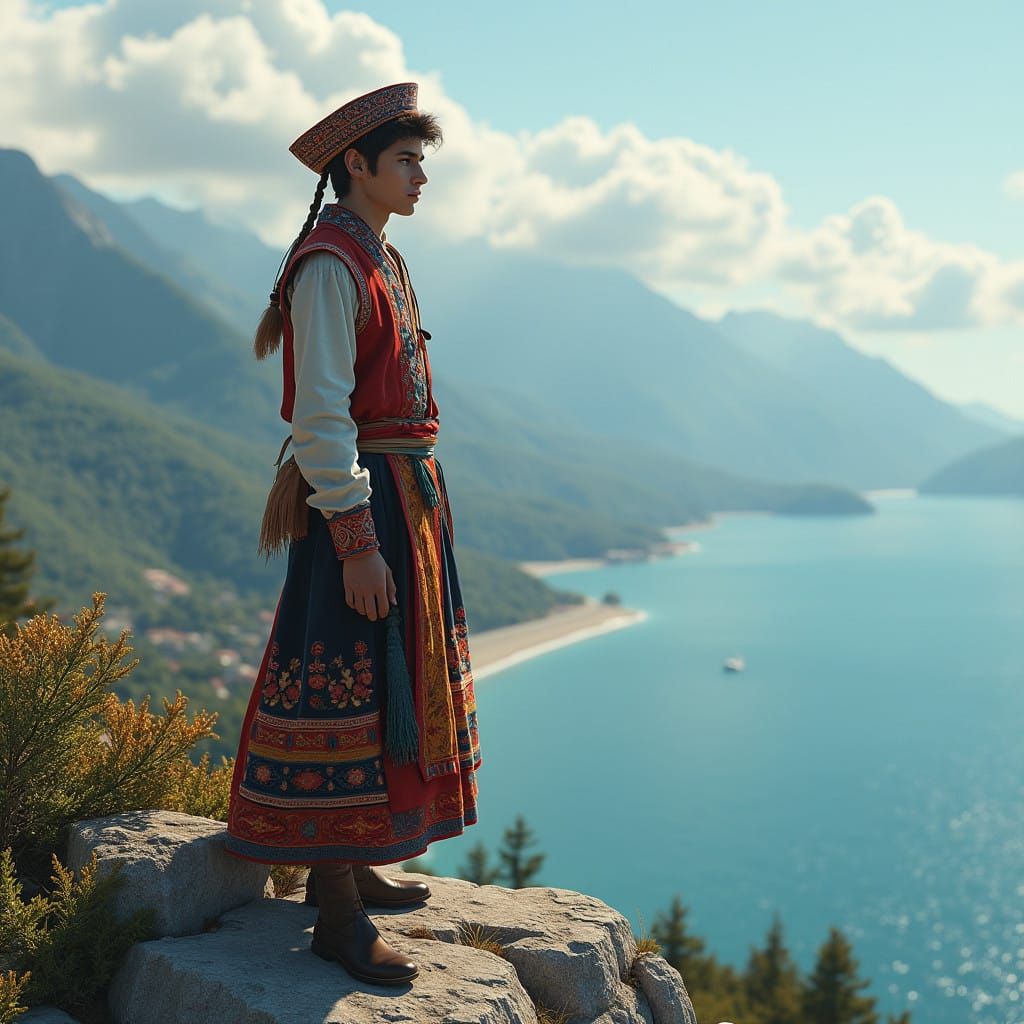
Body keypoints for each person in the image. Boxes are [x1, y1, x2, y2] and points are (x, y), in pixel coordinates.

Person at [223, 82, 482, 986]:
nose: (421, 177)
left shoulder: (380, 256)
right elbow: (321, 418)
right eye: (407, 160)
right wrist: (356, 538)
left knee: (382, 678)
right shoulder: (332, 266)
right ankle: (331, 908)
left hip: (403, 498)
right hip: (363, 503)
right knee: (341, 678)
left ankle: (356, 862)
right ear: (357, 166)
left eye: (423, 161)